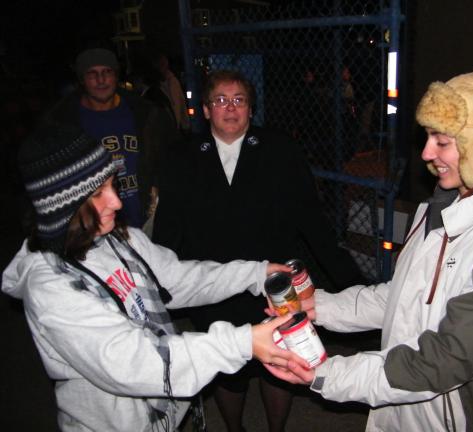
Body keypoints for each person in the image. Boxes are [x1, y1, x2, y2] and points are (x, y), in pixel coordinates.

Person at [268, 71, 473, 431]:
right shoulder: (438, 209)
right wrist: (316, 306)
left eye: (442, 141)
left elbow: (443, 361)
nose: (427, 153)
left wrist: (324, 374)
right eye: (429, 137)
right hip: (394, 409)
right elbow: (398, 298)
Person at [1, 124, 305, 432]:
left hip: (164, 413)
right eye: (98, 193)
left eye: (112, 186)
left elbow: (177, 280)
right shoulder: (51, 286)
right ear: (62, 206)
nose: (117, 203)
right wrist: (242, 342)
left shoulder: (118, 238)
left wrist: (255, 272)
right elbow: (133, 362)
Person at [152, 69, 365, 432]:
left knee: (279, 364)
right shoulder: (182, 157)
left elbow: (311, 220)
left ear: (251, 109)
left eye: (239, 100)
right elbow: (168, 229)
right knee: (227, 368)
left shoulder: (279, 149)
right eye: (220, 100)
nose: (230, 108)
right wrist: (156, 284)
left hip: (272, 286)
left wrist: (352, 285)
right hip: (212, 285)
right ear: (205, 110)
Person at [43, 48, 177, 229]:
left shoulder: (146, 114)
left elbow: (170, 158)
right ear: (82, 79)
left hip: (145, 221)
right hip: (92, 226)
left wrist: (159, 189)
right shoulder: (63, 122)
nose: (101, 79)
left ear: (116, 76)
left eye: (107, 72)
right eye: (92, 74)